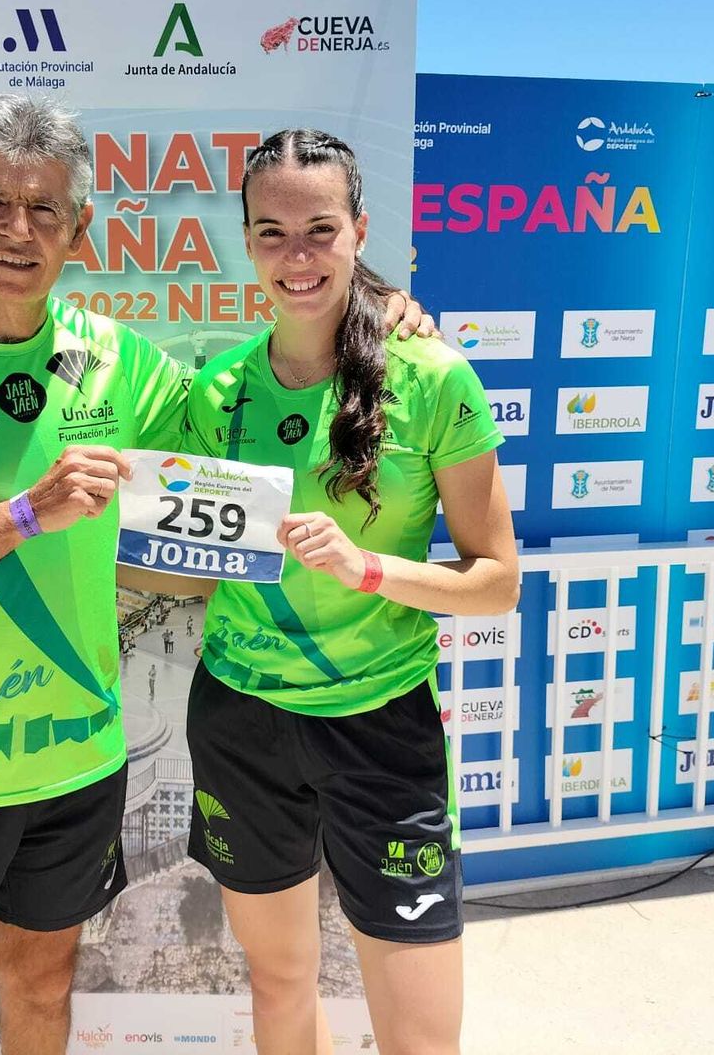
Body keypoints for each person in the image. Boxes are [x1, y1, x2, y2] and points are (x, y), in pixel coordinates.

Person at [0, 95, 435, 1055]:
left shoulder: (118, 361)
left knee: (44, 989)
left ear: (80, 227)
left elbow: (252, 405)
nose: (18, 230)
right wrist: (20, 515)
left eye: (45, 208)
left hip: (77, 761)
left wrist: (377, 307)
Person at [181, 130, 521, 1055]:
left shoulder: (435, 377)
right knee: (282, 981)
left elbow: (495, 585)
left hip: (381, 727)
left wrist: (366, 568)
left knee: (418, 1037)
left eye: (321, 229)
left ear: (360, 230)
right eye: (273, 232)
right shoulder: (211, 394)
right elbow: (167, 557)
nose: (298, 256)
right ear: (245, 242)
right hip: (242, 720)